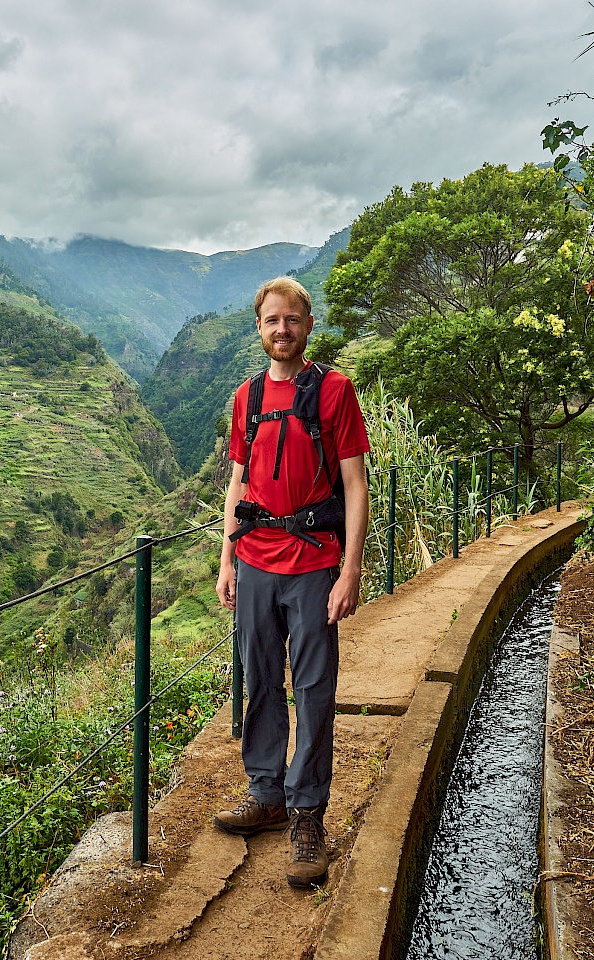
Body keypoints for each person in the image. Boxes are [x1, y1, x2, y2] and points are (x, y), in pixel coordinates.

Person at [213, 276, 369, 888]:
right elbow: (238, 482)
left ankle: (308, 816)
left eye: (293, 320)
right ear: (259, 327)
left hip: (311, 563)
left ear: (308, 325)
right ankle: (267, 794)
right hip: (253, 559)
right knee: (258, 682)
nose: (283, 330)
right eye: (272, 320)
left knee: (313, 691)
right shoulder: (246, 397)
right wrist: (227, 560)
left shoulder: (335, 391)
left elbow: (354, 484)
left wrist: (350, 569)